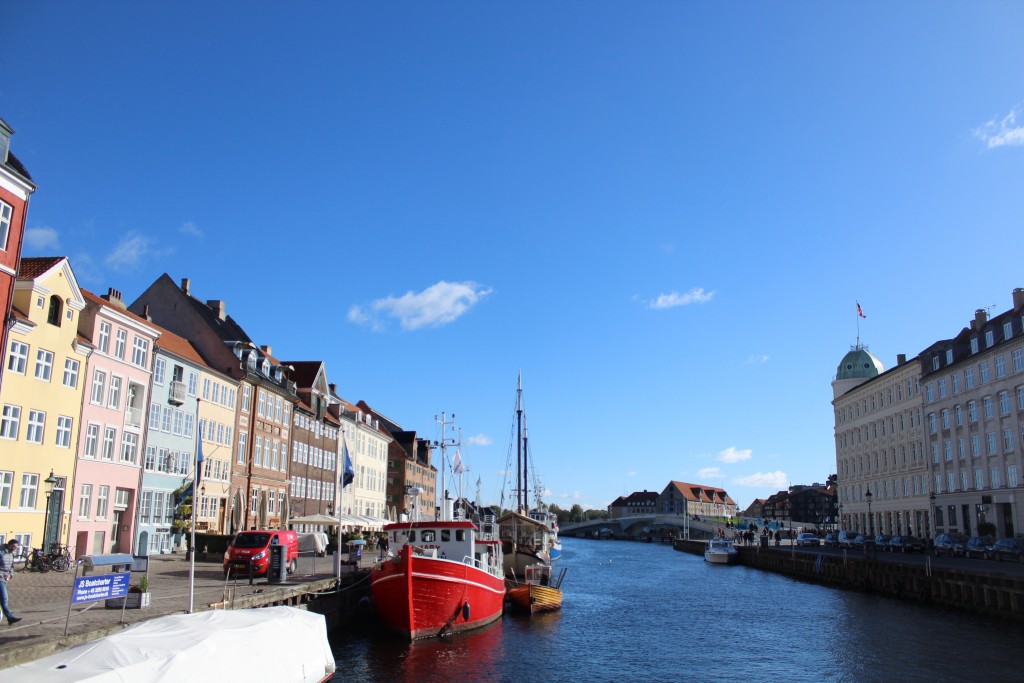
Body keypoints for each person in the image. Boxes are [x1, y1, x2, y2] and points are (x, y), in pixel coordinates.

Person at [0, 539, 23, 625]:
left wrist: (10, 575)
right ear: (9, 545)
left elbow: (12, 567)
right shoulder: (1, 552)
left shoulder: (11, 554)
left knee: (3, 599)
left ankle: (9, 617)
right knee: (4, 598)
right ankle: (10, 618)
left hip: (5, 578)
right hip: (0, 578)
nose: (15, 549)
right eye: (14, 547)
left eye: (16, 547)